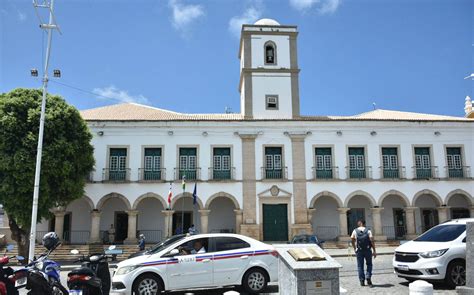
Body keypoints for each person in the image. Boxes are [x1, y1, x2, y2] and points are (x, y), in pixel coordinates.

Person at [351, 219, 376, 287]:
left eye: (358, 222)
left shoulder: (355, 231)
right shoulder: (368, 230)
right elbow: (372, 241)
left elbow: (352, 240)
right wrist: (374, 251)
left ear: (361, 223)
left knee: (360, 266)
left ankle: (362, 280)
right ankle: (368, 277)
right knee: (369, 264)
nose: (357, 223)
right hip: (368, 250)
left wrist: (354, 248)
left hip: (359, 250)